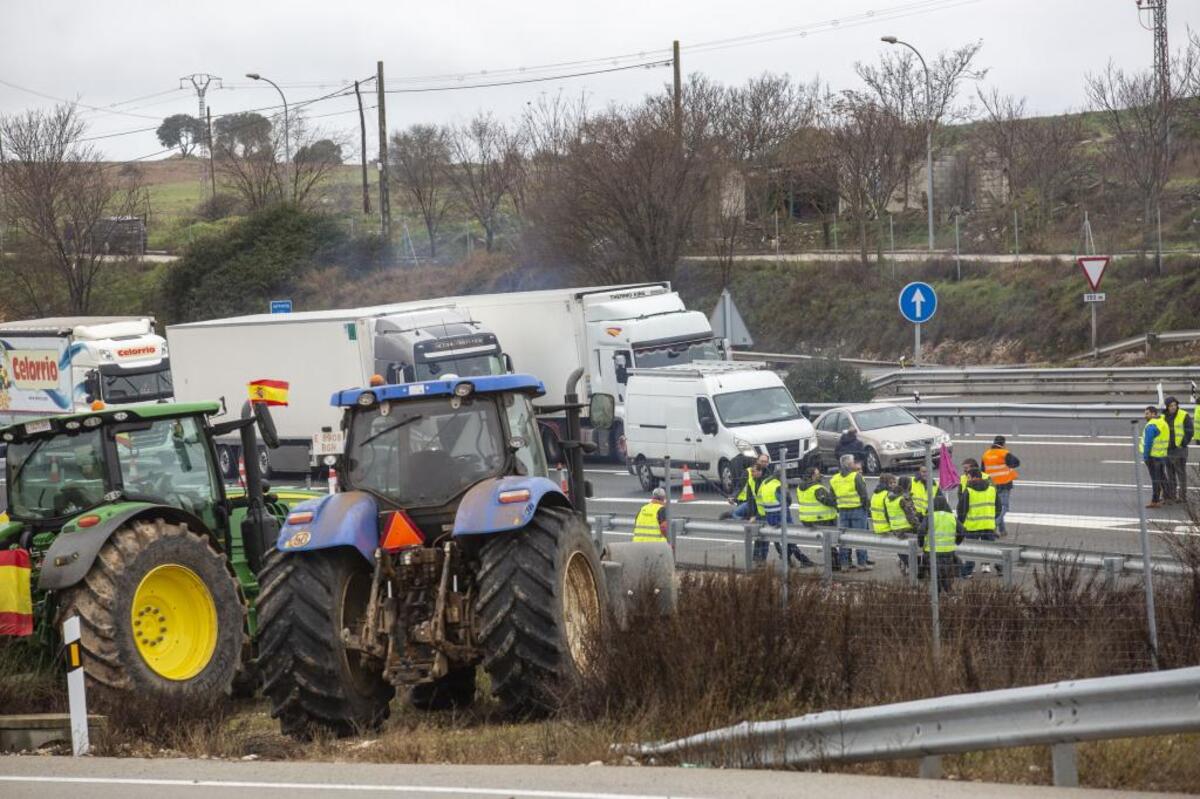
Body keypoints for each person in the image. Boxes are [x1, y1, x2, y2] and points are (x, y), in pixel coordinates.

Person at [753, 470, 817, 567]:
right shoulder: (779, 485)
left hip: (768, 514)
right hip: (781, 513)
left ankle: (791, 558)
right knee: (790, 537)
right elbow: (788, 501)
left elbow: (759, 497)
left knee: (782, 538)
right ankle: (799, 559)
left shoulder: (765, 483)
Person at [957, 467, 1001, 577]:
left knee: (971, 550)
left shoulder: (969, 491)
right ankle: (1001, 569)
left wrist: (961, 523)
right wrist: (991, 517)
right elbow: (999, 507)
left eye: (968, 477)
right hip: (988, 525)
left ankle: (967, 572)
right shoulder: (991, 489)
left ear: (974, 477)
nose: (967, 479)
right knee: (992, 549)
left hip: (973, 526)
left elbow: (961, 509)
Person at [829, 454, 871, 570]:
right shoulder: (855, 476)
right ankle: (861, 563)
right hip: (857, 510)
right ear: (849, 464)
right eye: (853, 462)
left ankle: (844, 564)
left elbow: (832, 497)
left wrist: (840, 506)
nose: (854, 464)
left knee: (844, 539)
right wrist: (866, 508)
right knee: (860, 537)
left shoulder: (834, 479)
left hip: (843, 511)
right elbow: (864, 495)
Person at [919, 493, 964, 594]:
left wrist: (921, 544)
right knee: (946, 576)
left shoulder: (930, 516)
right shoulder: (951, 517)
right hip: (948, 552)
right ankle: (950, 595)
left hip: (931, 552)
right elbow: (962, 531)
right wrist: (956, 542)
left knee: (935, 576)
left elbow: (921, 531)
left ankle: (937, 597)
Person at [981, 436, 1021, 536]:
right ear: (1003, 444)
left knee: (997, 508)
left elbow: (982, 470)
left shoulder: (986, 454)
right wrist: (1007, 466)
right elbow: (1017, 462)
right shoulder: (1004, 453)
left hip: (990, 485)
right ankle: (993, 525)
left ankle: (1002, 531)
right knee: (1004, 507)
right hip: (1004, 483)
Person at [1162, 397, 1193, 506]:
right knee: (1170, 474)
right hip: (1167, 450)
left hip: (1179, 450)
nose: (1173, 407)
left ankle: (1182, 496)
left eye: (1175, 405)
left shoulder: (1183, 415)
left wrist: (1182, 443)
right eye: (1171, 405)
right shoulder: (1163, 416)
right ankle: (1172, 495)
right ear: (1167, 407)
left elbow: (1189, 430)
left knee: (1181, 474)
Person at [887, 475, 921, 575]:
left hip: (895, 528)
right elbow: (910, 514)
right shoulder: (904, 498)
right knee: (913, 550)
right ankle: (912, 568)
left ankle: (903, 564)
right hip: (907, 528)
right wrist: (918, 526)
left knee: (901, 549)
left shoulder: (889, 497)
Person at [722, 453, 770, 520]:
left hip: (761, 505)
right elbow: (739, 487)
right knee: (737, 516)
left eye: (766, 462)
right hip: (746, 501)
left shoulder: (769, 474)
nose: (764, 463)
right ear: (757, 461)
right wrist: (733, 496)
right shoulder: (748, 472)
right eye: (762, 461)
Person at [1141, 405, 1170, 509]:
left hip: (1153, 456)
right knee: (1162, 476)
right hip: (1161, 454)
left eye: (1147, 413)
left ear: (1154, 414)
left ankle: (1155, 500)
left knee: (1155, 479)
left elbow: (1148, 443)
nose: (1145, 416)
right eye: (1145, 413)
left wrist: (1145, 456)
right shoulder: (1162, 422)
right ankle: (1168, 496)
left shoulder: (1151, 425)